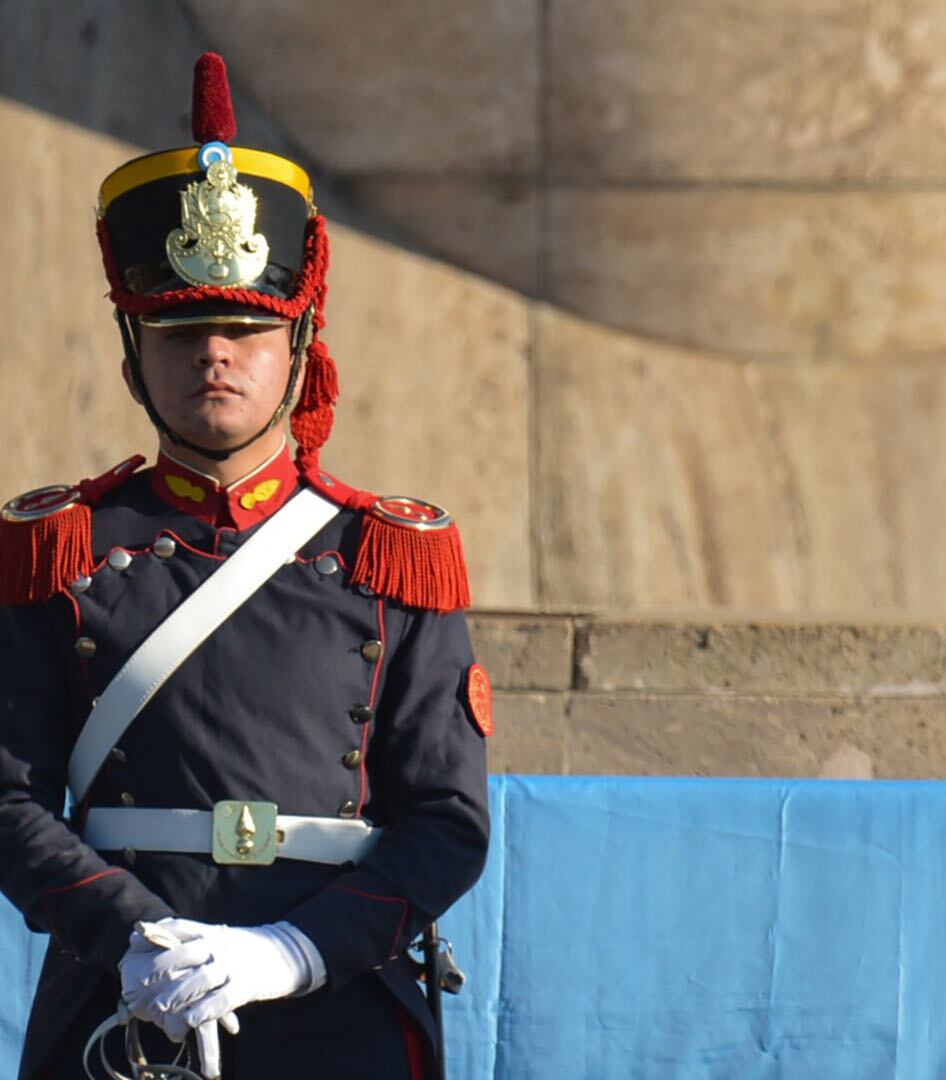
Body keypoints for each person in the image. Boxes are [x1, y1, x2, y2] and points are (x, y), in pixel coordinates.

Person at [0, 54, 490, 1079]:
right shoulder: (62, 552)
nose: (212, 356)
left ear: (301, 346)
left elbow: (445, 820)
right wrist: (133, 934)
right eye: (180, 332)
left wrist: (293, 952)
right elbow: (8, 795)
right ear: (132, 353)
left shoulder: (391, 556)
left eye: (244, 330)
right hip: (125, 1000)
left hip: (338, 1000)